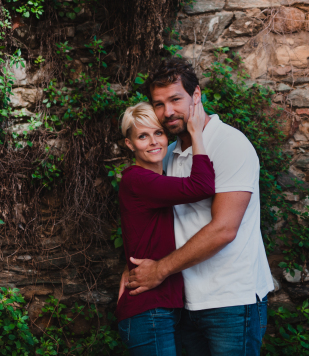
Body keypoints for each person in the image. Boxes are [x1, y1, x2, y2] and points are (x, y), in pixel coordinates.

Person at [125, 57, 274, 355]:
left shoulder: (230, 144)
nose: (167, 112)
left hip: (231, 300)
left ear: (196, 96)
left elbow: (223, 230)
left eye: (175, 99)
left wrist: (160, 270)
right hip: (185, 302)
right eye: (158, 103)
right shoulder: (166, 154)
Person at [116, 100, 215, 356]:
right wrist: (196, 134)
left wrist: (126, 269)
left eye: (158, 132)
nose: (153, 142)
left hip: (164, 306)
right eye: (142, 136)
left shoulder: (158, 180)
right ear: (130, 144)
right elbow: (201, 186)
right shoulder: (137, 179)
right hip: (148, 310)